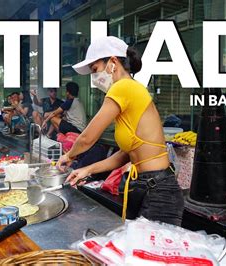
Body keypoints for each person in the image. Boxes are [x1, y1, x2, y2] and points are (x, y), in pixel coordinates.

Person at [57, 36, 184, 225]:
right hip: (146, 185)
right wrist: (87, 170)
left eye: (95, 70)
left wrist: (69, 156)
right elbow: (125, 155)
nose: (95, 78)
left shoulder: (122, 87)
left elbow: (87, 138)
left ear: (113, 62)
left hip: (158, 191)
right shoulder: (128, 91)